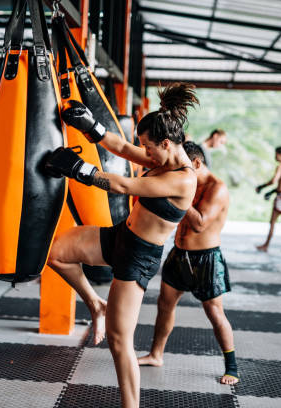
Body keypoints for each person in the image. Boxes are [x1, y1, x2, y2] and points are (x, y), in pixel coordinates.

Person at [44, 83, 198, 408]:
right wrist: (91, 126)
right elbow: (124, 149)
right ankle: (96, 304)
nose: (146, 152)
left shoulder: (183, 178)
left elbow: (123, 184)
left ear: (166, 144)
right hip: (120, 237)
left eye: (149, 147)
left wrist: (79, 170)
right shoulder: (163, 159)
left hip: (138, 258)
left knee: (118, 341)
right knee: (57, 253)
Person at [137, 141, 238, 385]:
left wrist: (178, 194)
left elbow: (200, 223)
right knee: (164, 306)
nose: (180, 173)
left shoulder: (217, 188)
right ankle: (156, 354)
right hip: (179, 254)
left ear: (196, 163)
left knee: (214, 313)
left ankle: (232, 367)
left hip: (206, 258)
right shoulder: (187, 181)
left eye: (184, 167)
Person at [255, 146, 281, 253]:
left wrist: (261, 187)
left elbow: (274, 181)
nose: (275, 157)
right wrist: (271, 192)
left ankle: (266, 246)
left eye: (276, 154)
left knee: (272, 222)